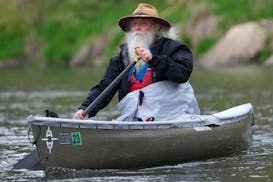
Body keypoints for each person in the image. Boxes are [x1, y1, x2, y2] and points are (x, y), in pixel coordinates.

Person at [73, 3, 199, 121]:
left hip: (171, 117)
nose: (137, 28)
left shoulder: (175, 48)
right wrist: (85, 109)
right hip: (135, 120)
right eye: (134, 24)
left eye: (143, 23)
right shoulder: (121, 58)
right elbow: (105, 87)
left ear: (156, 28)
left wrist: (153, 60)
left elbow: (182, 74)